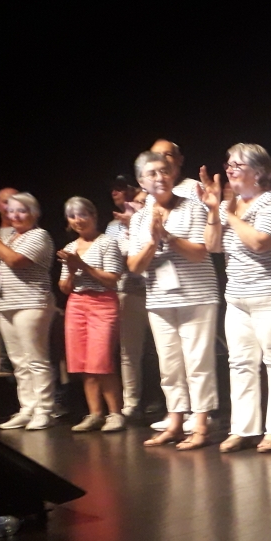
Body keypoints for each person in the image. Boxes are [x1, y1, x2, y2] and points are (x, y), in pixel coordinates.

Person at [203, 144, 271, 453]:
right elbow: (212, 246)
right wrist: (213, 211)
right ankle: (243, 429)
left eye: (238, 165)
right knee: (241, 363)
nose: (230, 169)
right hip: (238, 297)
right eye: (229, 164)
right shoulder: (231, 207)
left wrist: (229, 214)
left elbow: (261, 242)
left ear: (258, 172)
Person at [128, 151, 219, 450]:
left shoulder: (192, 208)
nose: (160, 178)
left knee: (198, 364)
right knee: (169, 366)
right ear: (142, 181)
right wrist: (153, 242)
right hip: (158, 300)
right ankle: (175, 423)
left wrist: (166, 236)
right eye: (152, 174)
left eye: (165, 172)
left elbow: (200, 251)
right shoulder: (140, 218)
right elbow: (134, 266)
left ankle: (201, 426)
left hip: (197, 297)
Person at [0, 192, 57, 430]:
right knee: (19, 361)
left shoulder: (39, 235)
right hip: (4, 304)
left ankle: (45, 410)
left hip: (31, 304)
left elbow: (16, 261)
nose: (15, 216)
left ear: (34, 214)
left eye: (22, 211)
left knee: (36, 359)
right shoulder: (6, 238)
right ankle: (27, 408)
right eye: (11, 211)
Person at [57, 197, 126, 432]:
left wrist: (82, 266)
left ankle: (115, 413)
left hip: (102, 302)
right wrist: (72, 271)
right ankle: (95, 413)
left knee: (101, 361)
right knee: (83, 363)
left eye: (82, 215)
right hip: (76, 304)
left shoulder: (107, 243)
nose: (78, 220)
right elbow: (64, 287)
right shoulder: (69, 248)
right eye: (72, 216)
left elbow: (112, 278)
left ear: (94, 216)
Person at [105, 175, 150, 421]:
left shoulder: (152, 217)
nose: (118, 192)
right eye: (114, 188)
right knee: (129, 352)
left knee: (165, 352)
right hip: (128, 291)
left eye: (123, 188)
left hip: (157, 291)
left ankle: (170, 404)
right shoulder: (113, 226)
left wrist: (136, 226)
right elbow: (116, 257)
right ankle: (131, 403)